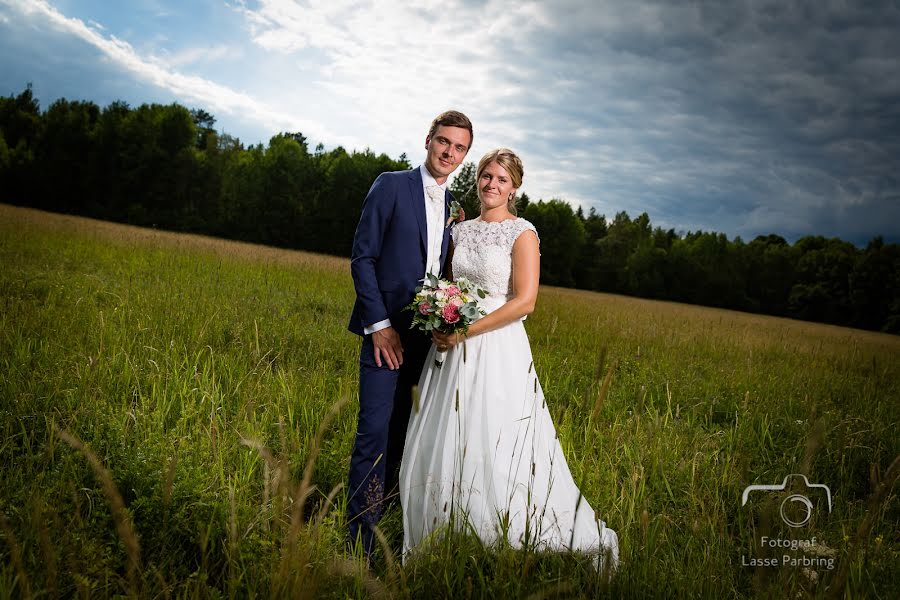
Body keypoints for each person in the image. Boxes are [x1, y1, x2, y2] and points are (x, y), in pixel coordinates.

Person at [399, 148, 619, 572]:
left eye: (501, 179)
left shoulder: (522, 233)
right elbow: (448, 284)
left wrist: (468, 331)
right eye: (485, 176)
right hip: (451, 344)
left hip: (497, 346)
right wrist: (441, 319)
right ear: (476, 180)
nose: (491, 185)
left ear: (514, 187)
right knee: (449, 431)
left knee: (495, 432)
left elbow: (525, 301)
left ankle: (502, 522)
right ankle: (445, 522)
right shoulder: (461, 231)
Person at [347, 110, 473, 559]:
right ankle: (357, 544)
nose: (449, 152)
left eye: (459, 148)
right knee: (374, 431)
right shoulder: (391, 184)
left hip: (427, 340)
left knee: (409, 433)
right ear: (428, 140)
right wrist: (379, 327)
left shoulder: (456, 206)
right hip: (386, 332)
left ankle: (394, 530)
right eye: (444, 142)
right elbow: (362, 258)